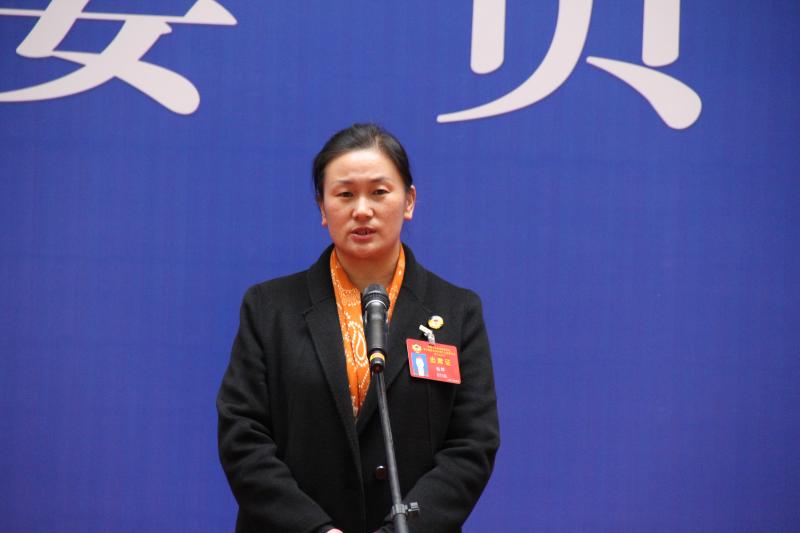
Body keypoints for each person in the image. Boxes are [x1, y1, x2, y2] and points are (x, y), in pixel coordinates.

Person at [217, 123, 500, 533]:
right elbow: (243, 437)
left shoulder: (456, 311)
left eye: (379, 192)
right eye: (345, 194)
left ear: (409, 201)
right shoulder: (269, 308)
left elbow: (471, 446)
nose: (362, 209)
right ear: (322, 207)